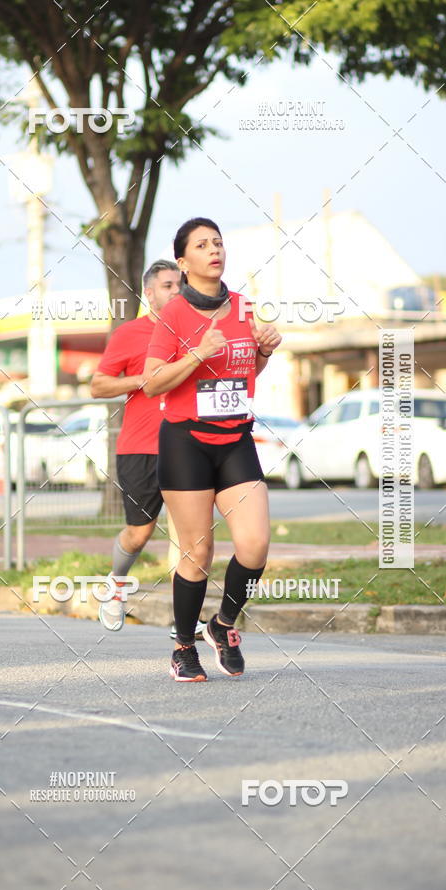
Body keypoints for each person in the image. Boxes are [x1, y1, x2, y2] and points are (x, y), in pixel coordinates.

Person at [144, 217, 282, 682]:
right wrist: (197, 354)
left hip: (235, 438)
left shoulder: (243, 308)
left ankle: (221, 625)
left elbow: (244, 380)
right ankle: (183, 647)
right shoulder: (174, 314)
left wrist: (262, 353)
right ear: (183, 262)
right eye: (201, 245)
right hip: (186, 441)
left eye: (218, 242)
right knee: (197, 552)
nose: (213, 250)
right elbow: (151, 382)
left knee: (255, 543)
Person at [90, 258, 206, 638]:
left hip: (186, 443)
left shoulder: (196, 332)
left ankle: (182, 620)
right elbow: (99, 385)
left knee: (187, 535)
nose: (177, 290)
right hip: (139, 448)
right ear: (151, 293)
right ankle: (115, 586)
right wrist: (145, 379)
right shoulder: (129, 334)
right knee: (138, 534)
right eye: (169, 285)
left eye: (180, 284)